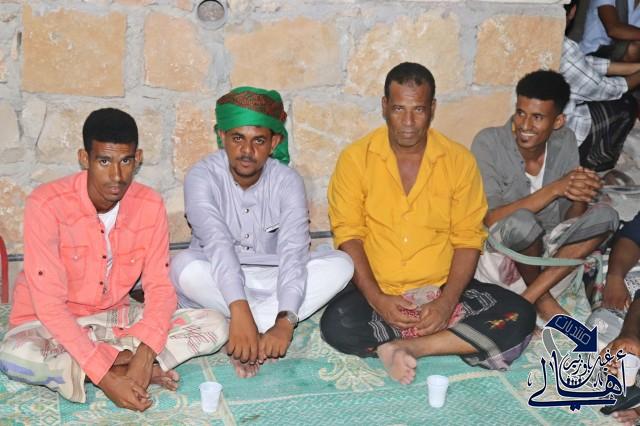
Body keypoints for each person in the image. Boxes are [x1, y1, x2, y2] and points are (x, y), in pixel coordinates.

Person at [319, 62, 536, 385]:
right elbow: (349, 235)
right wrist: (378, 299)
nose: (408, 122)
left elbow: (467, 238)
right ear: (384, 107)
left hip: (442, 289)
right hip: (379, 292)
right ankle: (453, 338)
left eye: (418, 110)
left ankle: (410, 346)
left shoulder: (458, 161)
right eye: (399, 109)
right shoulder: (355, 159)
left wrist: (446, 302)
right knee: (336, 326)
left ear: (432, 109)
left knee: (520, 314)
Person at [0, 108, 227, 411]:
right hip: (49, 324)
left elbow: (160, 288)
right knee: (14, 358)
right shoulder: (45, 205)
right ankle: (118, 367)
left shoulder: (150, 205)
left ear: (138, 158)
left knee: (215, 324)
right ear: (85, 158)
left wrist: (145, 354)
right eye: (104, 161)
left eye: (126, 161)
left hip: (114, 319)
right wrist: (106, 378)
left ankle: (124, 365)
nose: (117, 176)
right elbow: (50, 306)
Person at [170, 86, 353, 379]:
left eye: (258, 140)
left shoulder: (287, 181)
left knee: (342, 265)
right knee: (183, 268)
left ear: (274, 142)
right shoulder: (201, 176)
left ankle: (245, 332)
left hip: (272, 278)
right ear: (222, 136)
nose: (247, 151)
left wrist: (285, 321)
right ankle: (250, 329)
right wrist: (239, 307)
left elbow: (293, 252)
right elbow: (217, 244)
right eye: (237, 138)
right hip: (217, 276)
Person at [472, 70, 619, 322]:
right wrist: (555, 188)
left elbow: (569, 219)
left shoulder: (565, 140)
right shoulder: (488, 142)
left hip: (549, 254)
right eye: (521, 113)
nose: (525, 125)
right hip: (504, 250)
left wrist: (579, 192)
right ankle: (543, 301)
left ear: (558, 121)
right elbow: (491, 217)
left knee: (608, 215)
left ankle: (529, 298)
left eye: (537, 117)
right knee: (522, 221)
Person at [562, 0, 640, 172]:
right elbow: (611, 88)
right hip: (565, 143)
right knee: (625, 104)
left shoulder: (560, 44)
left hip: (593, 65)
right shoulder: (564, 51)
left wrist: (637, 68)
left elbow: (591, 64)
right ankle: (596, 164)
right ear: (573, 11)